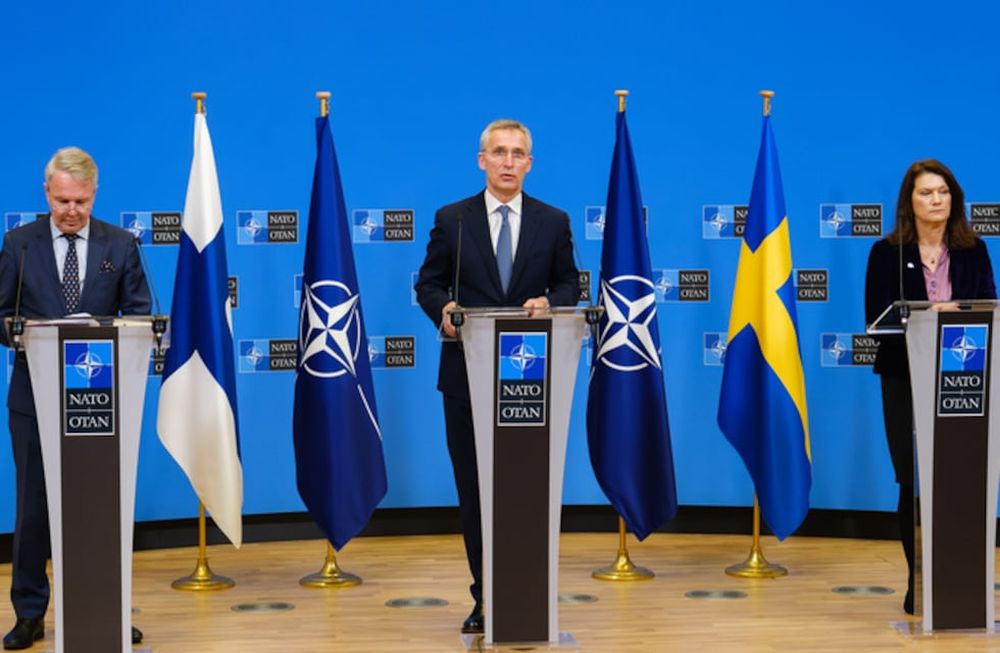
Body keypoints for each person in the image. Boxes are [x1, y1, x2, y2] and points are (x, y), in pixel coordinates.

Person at [415, 119, 580, 634]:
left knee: (524, 490)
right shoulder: (454, 220)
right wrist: (443, 309)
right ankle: (485, 597)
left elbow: (570, 283)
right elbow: (428, 283)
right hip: (466, 376)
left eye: (518, 153)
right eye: (499, 152)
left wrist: (549, 303)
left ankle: (524, 594)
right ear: (481, 160)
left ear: (530, 163)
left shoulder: (553, 221)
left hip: (528, 378)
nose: (509, 162)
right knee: (476, 490)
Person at [0, 147, 151, 649]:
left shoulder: (121, 243)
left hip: (101, 406)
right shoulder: (19, 245)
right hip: (34, 398)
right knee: (32, 510)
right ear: (46, 193)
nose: (71, 211)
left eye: (80, 202)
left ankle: (105, 609)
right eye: (63, 200)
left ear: (95, 194)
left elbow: (139, 315)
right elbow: (1, 317)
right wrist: (24, 332)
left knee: (99, 509)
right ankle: (29, 614)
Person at [864, 159, 996, 615]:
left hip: (962, 377)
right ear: (910, 201)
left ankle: (958, 579)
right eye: (926, 193)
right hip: (904, 374)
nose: (936, 200)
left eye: (943, 192)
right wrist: (927, 313)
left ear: (953, 198)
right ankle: (916, 579)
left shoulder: (973, 250)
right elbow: (876, 317)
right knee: (910, 479)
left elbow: (987, 305)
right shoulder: (885, 252)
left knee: (961, 476)